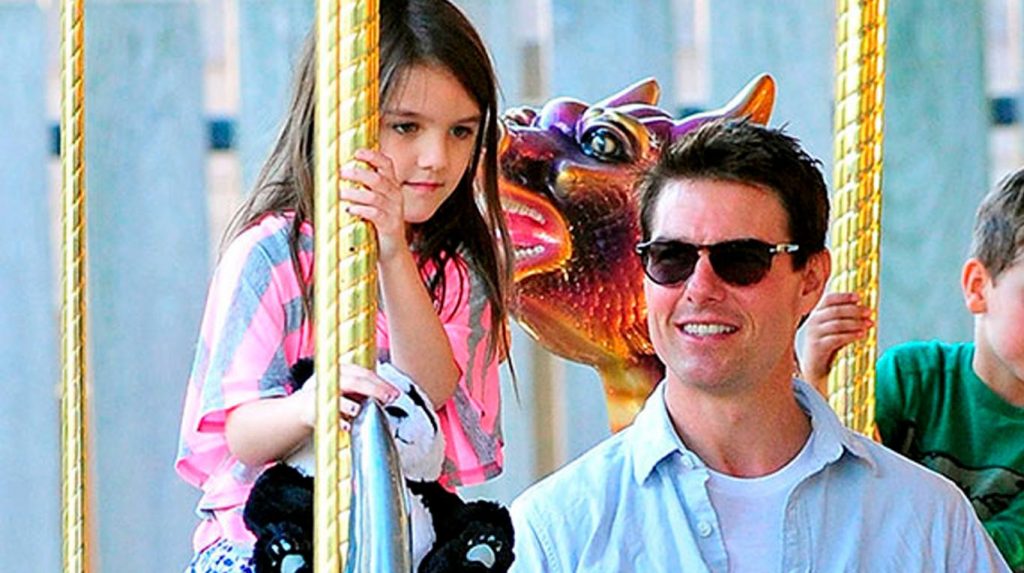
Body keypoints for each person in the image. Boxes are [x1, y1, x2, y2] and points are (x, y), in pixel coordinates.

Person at [509, 119, 1010, 572]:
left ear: (810, 280)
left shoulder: (928, 522)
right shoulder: (558, 534)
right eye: (671, 257)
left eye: (742, 259)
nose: (700, 288)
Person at [175, 1, 513, 569]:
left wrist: (392, 251)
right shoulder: (270, 257)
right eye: (406, 127)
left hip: (401, 534)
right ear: (344, 119)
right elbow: (242, 435)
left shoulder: (458, 270)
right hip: (260, 539)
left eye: (461, 132)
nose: (436, 158)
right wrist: (310, 407)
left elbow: (429, 388)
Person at [801, 169, 1024, 570]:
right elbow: (833, 489)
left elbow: (984, 555)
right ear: (978, 286)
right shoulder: (912, 380)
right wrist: (817, 380)